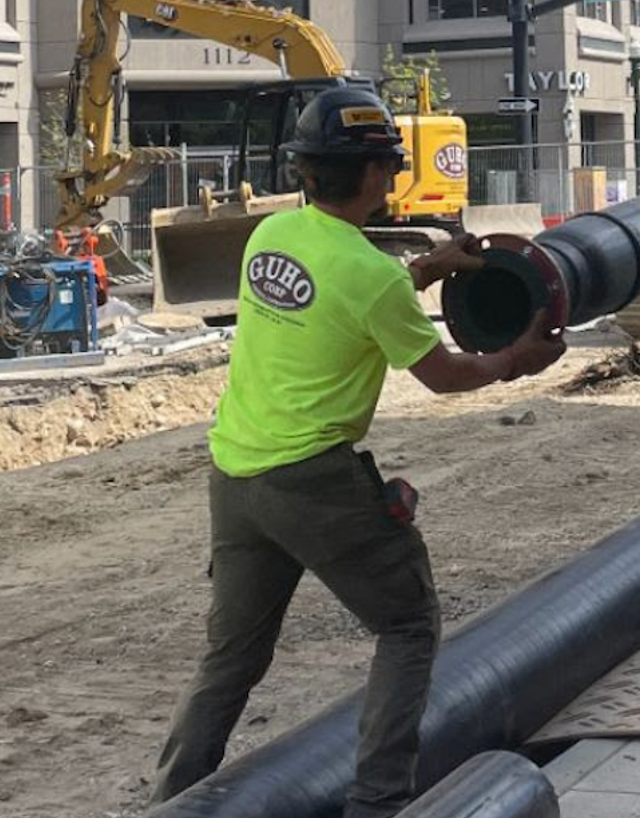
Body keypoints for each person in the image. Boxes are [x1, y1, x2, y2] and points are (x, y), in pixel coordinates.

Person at [152, 86, 567, 814]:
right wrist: (516, 358)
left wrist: (433, 267)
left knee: (232, 658)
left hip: (235, 474)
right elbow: (444, 375)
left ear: (307, 171)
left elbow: (343, 295)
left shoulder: (271, 238)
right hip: (314, 482)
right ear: (377, 176)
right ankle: (376, 804)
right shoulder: (372, 277)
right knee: (408, 624)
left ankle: (175, 800)